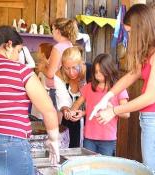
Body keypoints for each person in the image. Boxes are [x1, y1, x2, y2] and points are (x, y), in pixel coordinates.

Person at [0, 26, 59, 175]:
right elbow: (48, 109)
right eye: (18, 51)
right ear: (8, 45)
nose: (17, 57)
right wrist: (53, 140)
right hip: (10, 144)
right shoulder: (20, 70)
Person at [90, 4, 155, 171]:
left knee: (151, 168)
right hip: (148, 118)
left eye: (131, 32)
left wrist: (114, 110)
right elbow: (131, 75)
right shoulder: (150, 52)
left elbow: (150, 97)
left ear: (143, 28)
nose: (129, 36)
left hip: (153, 118)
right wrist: (107, 96)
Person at [67, 53, 129, 155]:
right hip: (89, 138)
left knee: (105, 168)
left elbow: (126, 114)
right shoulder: (89, 87)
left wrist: (113, 109)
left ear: (109, 70)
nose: (98, 75)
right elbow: (78, 102)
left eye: (101, 72)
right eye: (96, 72)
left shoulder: (119, 88)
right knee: (89, 167)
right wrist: (73, 112)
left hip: (108, 139)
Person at [54, 46, 91, 148]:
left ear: (81, 63)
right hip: (70, 120)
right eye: (67, 68)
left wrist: (83, 113)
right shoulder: (59, 75)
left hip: (91, 120)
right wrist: (66, 110)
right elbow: (62, 99)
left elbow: (95, 99)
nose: (71, 72)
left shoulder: (90, 71)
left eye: (74, 67)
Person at [37, 18, 78, 109]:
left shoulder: (58, 48)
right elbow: (60, 67)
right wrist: (47, 63)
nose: (52, 32)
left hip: (56, 89)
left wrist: (42, 68)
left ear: (58, 31)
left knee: (54, 119)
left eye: (53, 30)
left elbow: (51, 74)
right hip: (67, 87)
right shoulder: (70, 45)